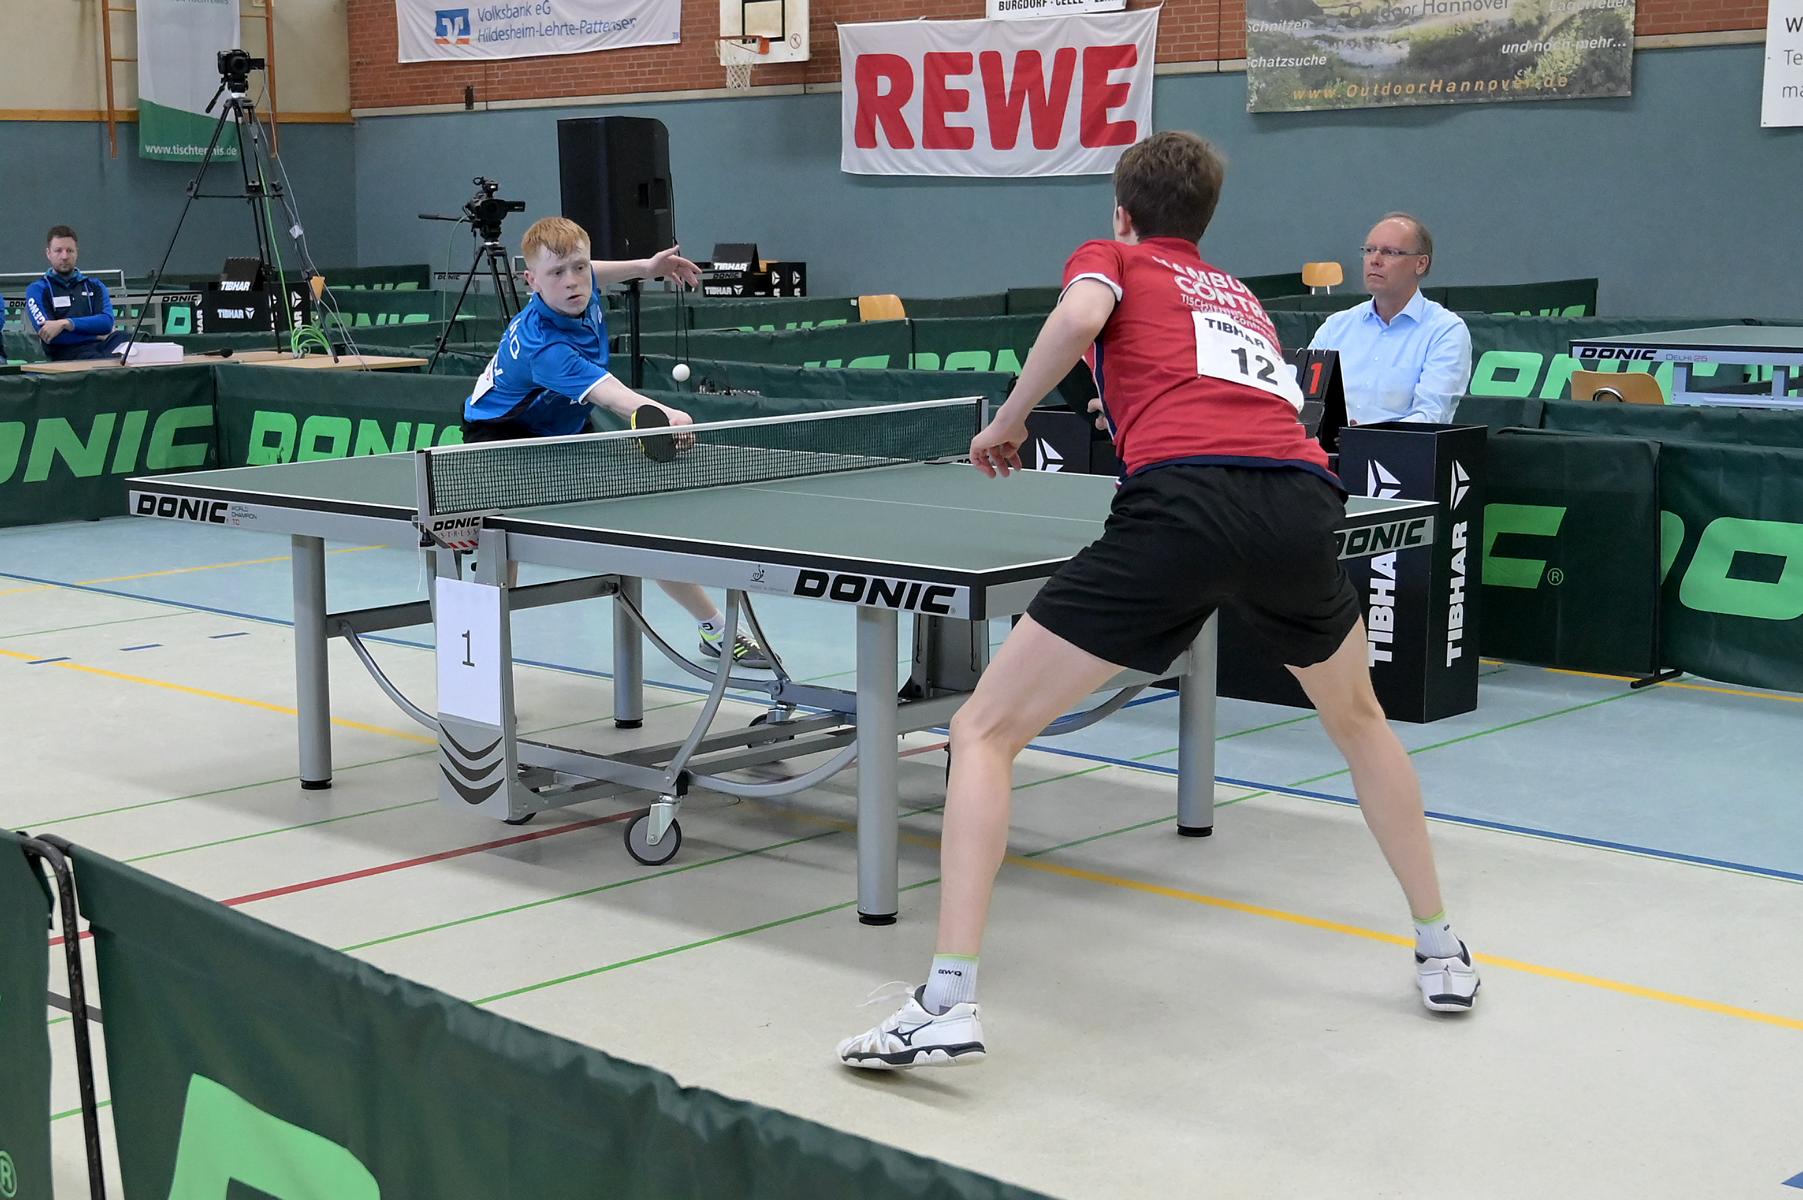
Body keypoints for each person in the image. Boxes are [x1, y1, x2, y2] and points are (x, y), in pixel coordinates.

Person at [836, 133, 1479, 1071]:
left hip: (1181, 507)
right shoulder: (1234, 294)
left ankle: (946, 1001)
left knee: (982, 731)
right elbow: (1221, 395)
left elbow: (1078, 319)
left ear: (1122, 211)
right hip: (1300, 503)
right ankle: (1440, 948)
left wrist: (1007, 421)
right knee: (1359, 722)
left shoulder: (1112, 257)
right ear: (1204, 218)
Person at [462, 215, 772, 670]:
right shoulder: (544, 348)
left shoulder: (576, 288)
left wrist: (646, 267)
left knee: (640, 527)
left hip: (562, 425)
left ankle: (716, 631)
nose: (573, 281)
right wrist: (665, 414)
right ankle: (479, 657)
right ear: (531, 281)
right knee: (500, 548)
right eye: (557, 273)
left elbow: (593, 269)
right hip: (502, 434)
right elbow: (612, 395)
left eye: (578, 268)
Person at [1306, 213, 1472, 425]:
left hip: (1400, 445)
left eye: (1389, 252)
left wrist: (1365, 436)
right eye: (1369, 250)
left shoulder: (1445, 331)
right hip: (1328, 444)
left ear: (1420, 264)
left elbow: (1430, 416)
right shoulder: (1336, 327)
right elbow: (1303, 400)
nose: (1374, 260)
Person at [24, 226, 129, 362]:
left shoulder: (95, 285)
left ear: (76, 253)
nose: (64, 256)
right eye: (58, 251)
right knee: (105, 361)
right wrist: (95, 336)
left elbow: (106, 323)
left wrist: (66, 323)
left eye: (69, 250)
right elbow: (49, 335)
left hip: (103, 347)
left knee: (127, 341)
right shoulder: (37, 290)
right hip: (67, 354)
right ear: (48, 253)